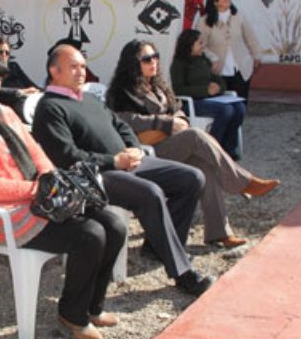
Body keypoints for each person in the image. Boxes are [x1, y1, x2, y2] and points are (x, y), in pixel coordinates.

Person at [0, 49, 126, 339]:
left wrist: (54, 182)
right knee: (90, 235)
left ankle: (92, 306)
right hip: (7, 215)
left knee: (115, 226)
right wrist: (32, 190)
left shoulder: (5, 110)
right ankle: (72, 315)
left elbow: (36, 151)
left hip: (40, 200)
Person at [32, 44, 214, 296]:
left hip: (130, 163)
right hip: (94, 176)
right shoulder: (50, 107)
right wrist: (114, 161)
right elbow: (67, 157)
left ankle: (156, 246)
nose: (81, 72)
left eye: (83, 66)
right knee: (149, 193)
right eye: (73, 67)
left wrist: (135, 148)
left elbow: (121, 125)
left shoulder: (88, 98)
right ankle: (182, 273)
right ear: (54, 70)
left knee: (192, 178)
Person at [106, 39, 279, 247]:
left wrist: (181, 120)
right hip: (149, 152)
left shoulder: (158, 85)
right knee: (196, 136)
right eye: (146, 59)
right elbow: (122, 119)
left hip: (172, 143)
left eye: (155, 57)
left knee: (204, 167)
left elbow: (177, 108)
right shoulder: (122, 91)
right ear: (133, 63)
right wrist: (166, 123)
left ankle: (219, 232)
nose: (153, 62)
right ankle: (243, 182)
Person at [170, 30, 246, 157]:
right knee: (226, 111)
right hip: (193, 102)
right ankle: (211, 147)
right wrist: (205, 90)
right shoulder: (179, 63)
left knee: (240, 108)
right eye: (199, 43)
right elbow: (179, 89)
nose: (203, 46)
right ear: (190, 44)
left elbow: (219, 80)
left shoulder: (204, 60)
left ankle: (228, 147)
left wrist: (218, 88)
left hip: (212, 99)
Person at [196, 0, 263, 102]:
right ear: (215, 1)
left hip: (241, 70)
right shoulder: (204, 22)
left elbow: (250, 37)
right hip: (218, 73)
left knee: (241, 105)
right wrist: (213, 58)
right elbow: (199, 46)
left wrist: (257, 55)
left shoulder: (239, 16)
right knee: (223, 106)